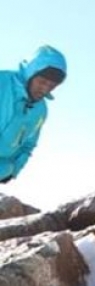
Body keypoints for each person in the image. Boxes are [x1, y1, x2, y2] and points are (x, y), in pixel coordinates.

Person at [0, 46, 66, 184]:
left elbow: (29, 144)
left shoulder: (40, 110)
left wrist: (13, 170)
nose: (45, 89)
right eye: (42, 82)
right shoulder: (3, 82)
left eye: (52, 85)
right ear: (30, 73)